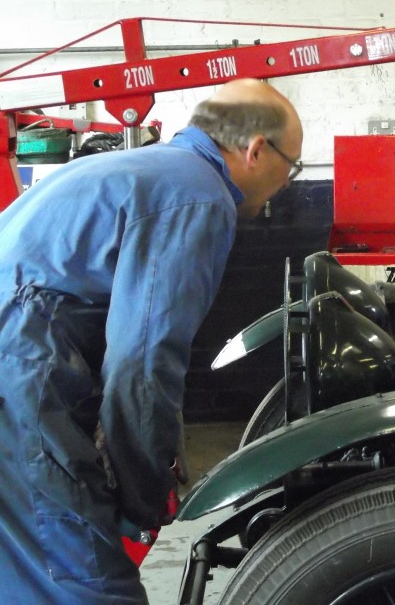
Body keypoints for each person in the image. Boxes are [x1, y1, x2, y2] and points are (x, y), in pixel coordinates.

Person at [0, 78, 303, 604]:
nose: (286, 182)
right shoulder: (198, 196)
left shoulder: (137, 169)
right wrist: (144, 500)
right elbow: (144, 360)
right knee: (87, 581)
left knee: (23, 576)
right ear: (257, 150)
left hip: (20, 363)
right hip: (18, 377)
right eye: (291, 166)